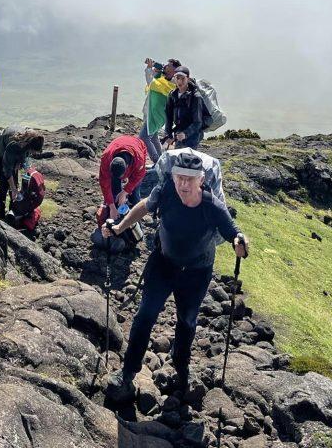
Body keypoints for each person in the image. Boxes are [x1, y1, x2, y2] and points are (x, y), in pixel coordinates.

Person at [103, 151, 249, 402]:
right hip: (163, 263)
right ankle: (127, 374)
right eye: (179, 177)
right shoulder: (166, 191)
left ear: (201, 180)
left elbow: (232, 232)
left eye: (189, 179)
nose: (183, 183)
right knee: (145, 315)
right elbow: (144, 206)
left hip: (197, 271)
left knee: (187, 321)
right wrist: (119, 227)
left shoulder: (211, 204)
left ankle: (181, 370)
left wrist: (240, 243)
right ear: (173, 176)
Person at [91, 134, 149, 252]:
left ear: (127, 167)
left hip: (136, 146)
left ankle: (137, 229)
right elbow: (104, 183)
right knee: (114, 193)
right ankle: (116, 227)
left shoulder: (139, 160)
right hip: (117, 146)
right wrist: (112, 206)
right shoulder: (107, 158)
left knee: (135, 197)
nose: (121, 179)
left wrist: (126, 191)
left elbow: (139, 176)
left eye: (122, 177)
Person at [0, 126, 44, 220]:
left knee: (15, 183)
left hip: (11, 148)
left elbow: (25, 156)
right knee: (4, 183)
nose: (33, 153)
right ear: (29, 146)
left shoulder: (33, 138)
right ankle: (1, 217)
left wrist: (22, 165)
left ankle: (12, 212)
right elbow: (7, 170)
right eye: (32, 151)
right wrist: (14, 189)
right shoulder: (14, 145)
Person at [139, 58, 179, 163]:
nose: (165, 66)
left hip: (157, 115)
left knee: (143, 137)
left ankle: (157, 162)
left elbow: (151, 82)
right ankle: (162, 160)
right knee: (154, 137)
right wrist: (153, 70)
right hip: (153, 112)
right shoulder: (163, 78)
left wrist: (150, 70)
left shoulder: (173, 84)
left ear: (174, 70)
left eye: (168, 66)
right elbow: (152, 81)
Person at [164, 66, 204, 150]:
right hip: (179, 132)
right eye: (177, 78)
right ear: (174, 78)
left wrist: (185, 134)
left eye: (183, 78)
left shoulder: (196, 97)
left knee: (187, 160)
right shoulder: (172, 95)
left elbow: (198, 122)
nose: (179, 81)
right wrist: (169, 134)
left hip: (193, 136)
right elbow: (168, 116)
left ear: (188, 79)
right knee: (178, 159)